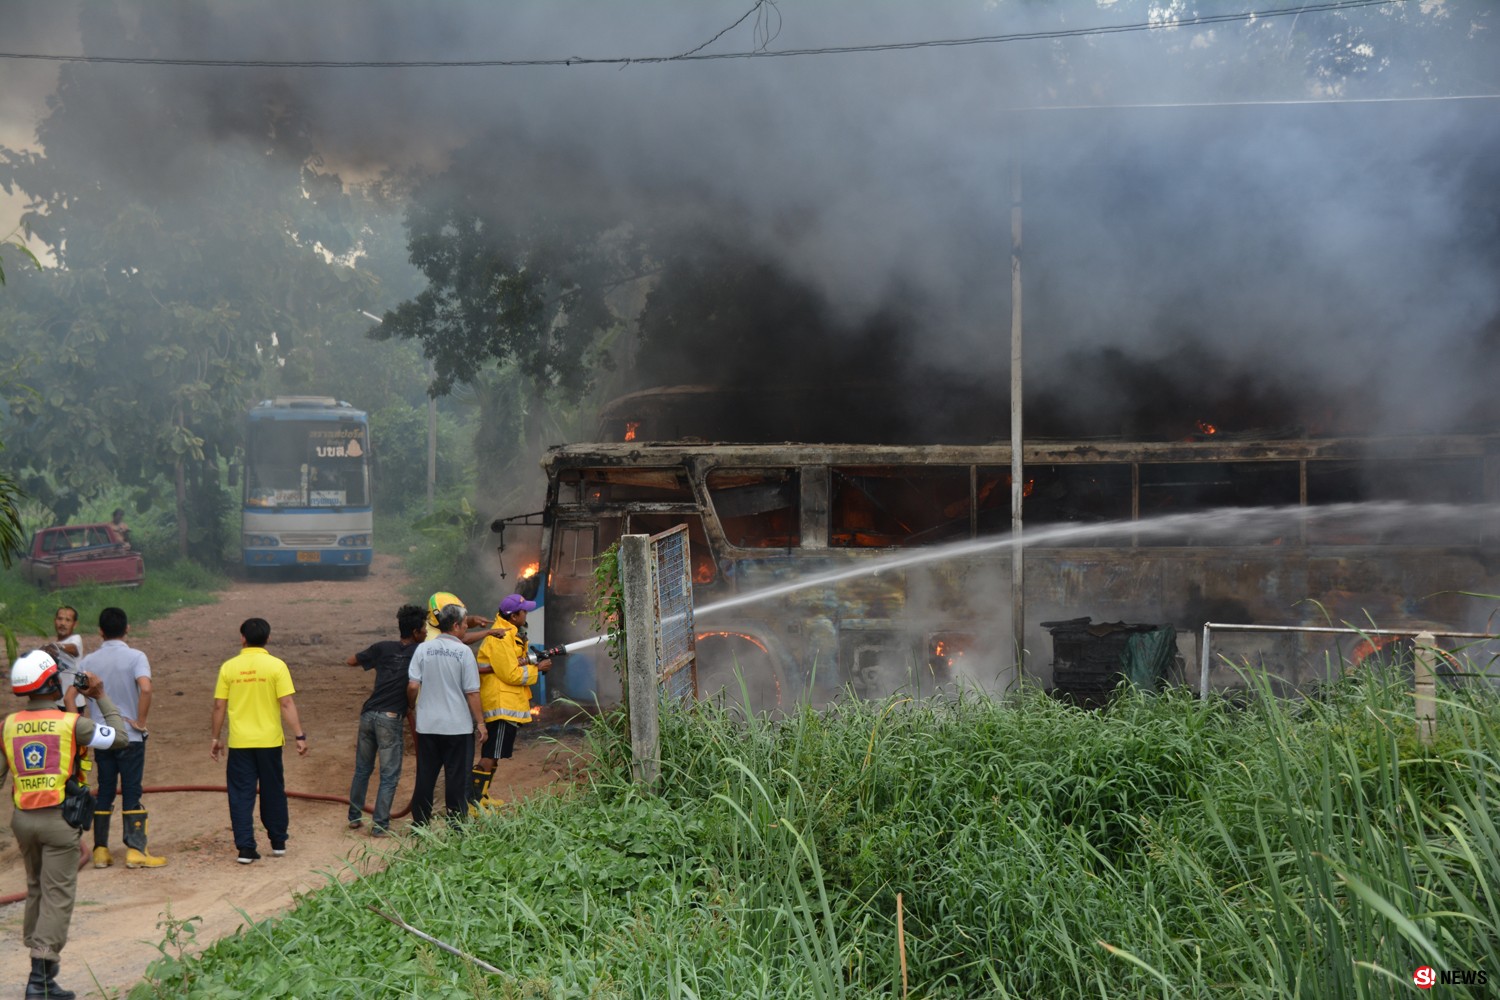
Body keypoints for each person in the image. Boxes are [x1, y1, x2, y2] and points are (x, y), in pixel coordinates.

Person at [2, 650, 126, 1000]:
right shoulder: (73, 725)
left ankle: (38, 966)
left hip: (23, 821)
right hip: (59, 820)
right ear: (54, 683)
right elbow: (119, 738)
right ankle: (40, 981)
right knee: (57, 894)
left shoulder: (7, 726)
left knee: (36, 888)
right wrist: (100, 698)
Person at [209, 618, 308, 864]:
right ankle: (278, 842)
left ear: (242, 638)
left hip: (240, 743)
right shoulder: (276, 666)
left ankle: (245, 848)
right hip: (269, 742)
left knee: (241, 794)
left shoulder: (229, 668)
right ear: (268, 638)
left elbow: (219, 705)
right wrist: (299, 735)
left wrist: (215, 737)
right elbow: (286, 703)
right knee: (273, 790)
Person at [79, 606, 165, 869]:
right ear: (127, 629)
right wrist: (140, 721)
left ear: (100, 631)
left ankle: (101, 851)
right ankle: (135, 849)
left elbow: (73, 697)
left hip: (101, 737)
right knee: (131, 790)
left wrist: (81, 726)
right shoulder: (136, 656)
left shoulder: (88, 662)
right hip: (130, 736)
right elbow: (146, 688)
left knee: (104, 790)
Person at [344, 604, 425, 837]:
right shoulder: (420, 652)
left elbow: (351, 661)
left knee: (363, 769)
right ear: (416, 632)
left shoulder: (382, 647)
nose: (426, 634)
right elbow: (412, 687)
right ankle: (380, 825)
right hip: (390, 718)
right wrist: (410, 704)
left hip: (368, 714)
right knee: (389, 774)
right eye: (423, 630)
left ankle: (354, 817)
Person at [470, 594, 552, 808]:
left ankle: (482, 797)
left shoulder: (511, 634)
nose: (527, 614)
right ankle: (473, 802)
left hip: (506, 704)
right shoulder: (501, 638)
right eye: (524, 611)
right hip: (500, 705)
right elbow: (510, 674)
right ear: (514, 615)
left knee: (495, 755)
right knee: (489, 755)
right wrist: (537, 669)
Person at [407, 602, 484, 827]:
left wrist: (411, 706)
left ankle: (420, 824)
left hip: (428, 726)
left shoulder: (423, 649)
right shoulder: (464, 652)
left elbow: (412, 686)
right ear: (456, 625)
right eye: (465, 623)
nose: (466, 628)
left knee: (425, 777)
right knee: (457, 778)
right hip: (457, 728)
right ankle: (456, 825)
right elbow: (472, 693)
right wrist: (481, 723)